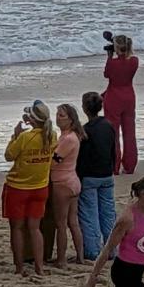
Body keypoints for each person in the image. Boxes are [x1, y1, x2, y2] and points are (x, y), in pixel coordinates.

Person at [2, 101, 55, 278]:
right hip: (40, 187)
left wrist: (15, 136)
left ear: (32, 119)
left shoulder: (26, 138)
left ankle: (19, 267)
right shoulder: (52, 136)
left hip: (18, 187)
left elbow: (9, 155)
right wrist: (32, 120)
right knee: (35, 228)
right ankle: (39, 267)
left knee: (17, 228)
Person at [77, 92, 119, 261]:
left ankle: (93, 250)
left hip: (89, 176)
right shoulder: (108, 125)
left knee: (89, 214)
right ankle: (112, 249)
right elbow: (113, 149)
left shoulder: (86, 131)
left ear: (84, 108)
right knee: (108, 214)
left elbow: (82, 158)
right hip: (106, 174)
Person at [50, 102, 85, 265]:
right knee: (72, 221)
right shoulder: (69, 136)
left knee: (62, 223)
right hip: (72, 180)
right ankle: (79, 256)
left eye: (62, 115)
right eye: (57, 114)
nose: (58, 118)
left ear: (70, 120)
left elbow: (54, 161)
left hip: (63, 182)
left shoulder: (68, 139)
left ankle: (62, 259)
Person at [102, 34, 139, 174]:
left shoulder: (112, 63)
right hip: (129, 96)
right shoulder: (134, 61)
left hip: (113, 97)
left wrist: (109, 56)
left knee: (113, 133)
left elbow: (107, 74)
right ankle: (130, 165)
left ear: (116, 47)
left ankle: (114, 165)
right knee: (129, 133)